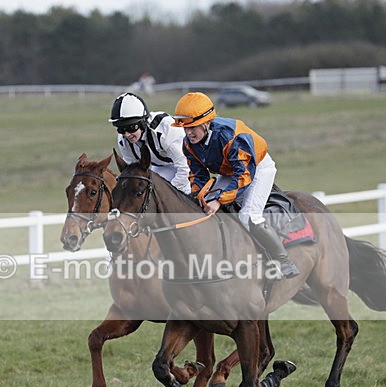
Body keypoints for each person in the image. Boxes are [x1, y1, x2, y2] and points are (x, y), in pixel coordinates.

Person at [171, 91, 299, 279]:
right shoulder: (188, 144)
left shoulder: (231, 137)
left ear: (206, 123)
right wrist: (197, 198)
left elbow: (244, 176)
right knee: (205, 204)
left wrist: (219, 200)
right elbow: (198, 176)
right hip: (229, 172)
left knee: (249, 216)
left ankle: (283, 261)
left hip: (256, 168)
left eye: (193, 127)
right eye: (185, 128)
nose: (189, 133)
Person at [109, 92, 191, 194]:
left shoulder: (165, 129)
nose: (127, 135)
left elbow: (185, 168)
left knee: (181, 194)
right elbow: (132, 173)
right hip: (161, 167)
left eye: (132, 127)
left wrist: (167, 194)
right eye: (121, 129)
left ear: (143, 122)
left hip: (190, 165)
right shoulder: (123, 140)